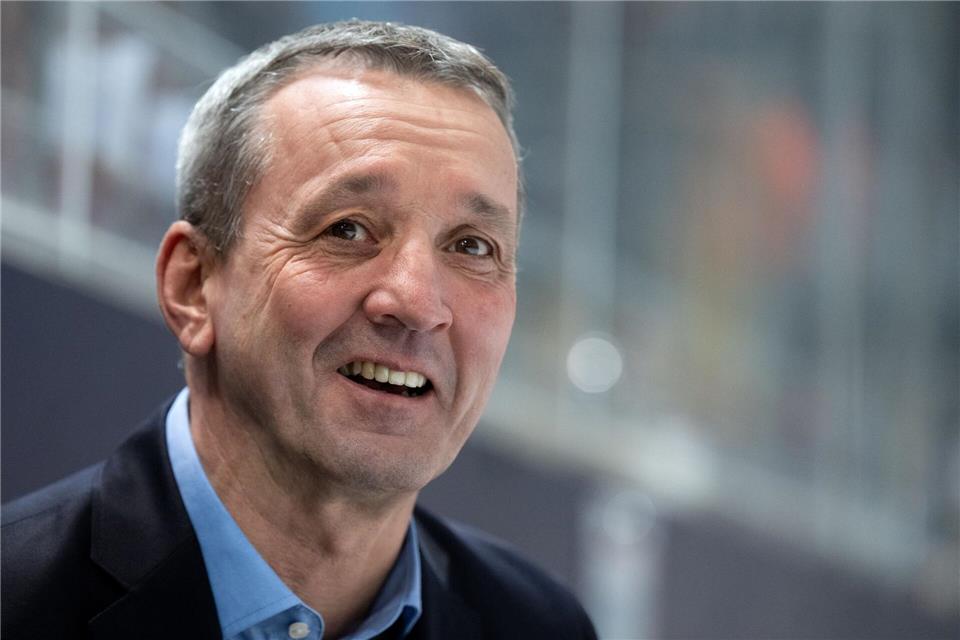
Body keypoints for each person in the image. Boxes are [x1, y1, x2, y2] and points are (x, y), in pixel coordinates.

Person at [1, 20, 597, 640]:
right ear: (193, 286)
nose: (419, 303)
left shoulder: (539, 624)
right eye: (347, 229)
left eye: (472, 246)